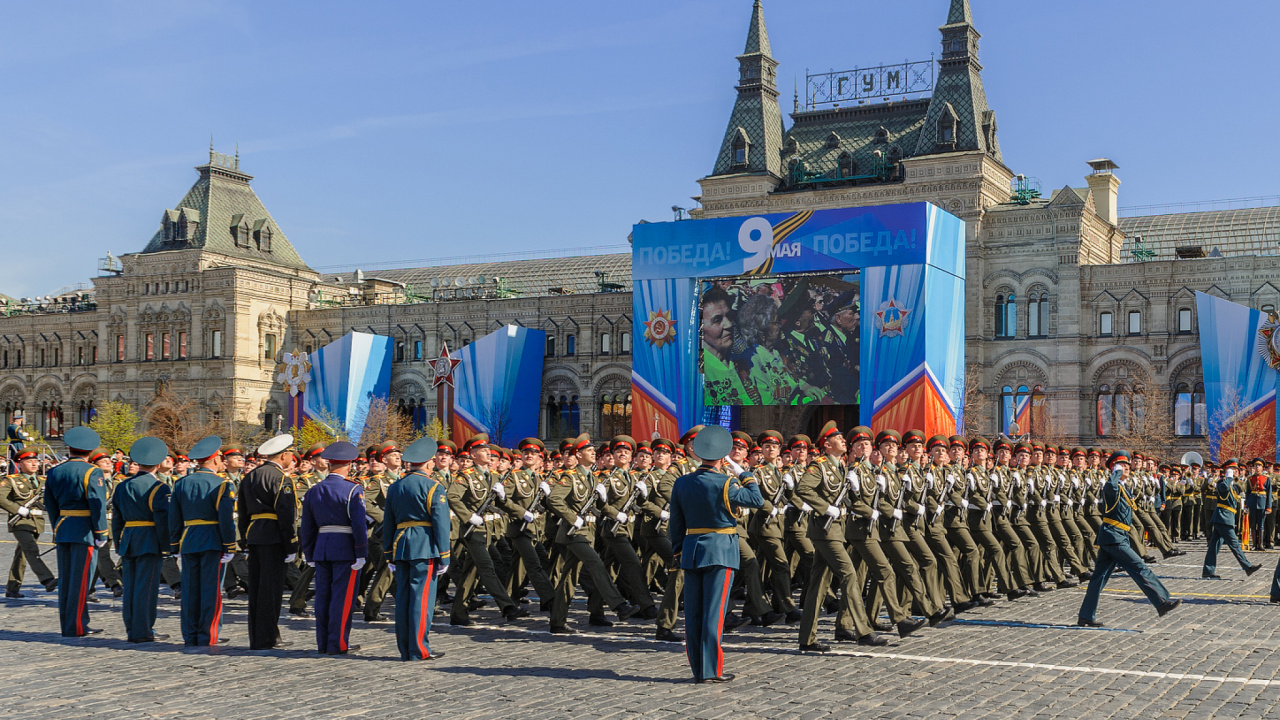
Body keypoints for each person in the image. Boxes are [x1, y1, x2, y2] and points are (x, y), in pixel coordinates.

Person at [668, 424, 764, 684]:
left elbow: (675, 524)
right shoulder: (728, 482)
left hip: (691, 551)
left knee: (694, 614)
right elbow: (757, 500)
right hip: (720, 551)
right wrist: (744, 472)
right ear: (723, 458)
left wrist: (679, 551)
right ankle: (711, 671)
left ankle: (698, 668)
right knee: (714, 613)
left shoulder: (682, 482)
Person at [1077, 451, 1181, 626]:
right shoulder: (1111, 486)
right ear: (1114, 469)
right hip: (1114, 537)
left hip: (1117, 536)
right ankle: (1161, 601)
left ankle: (1086, 615)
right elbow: (1111, 485)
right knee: (1138, 567)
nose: (1126, 467)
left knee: (1099, 578)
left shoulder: (1124, 487)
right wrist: (1115, 472)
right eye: (1121, 465)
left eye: (1127, 465)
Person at [383, 436, 452, 660]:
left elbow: (388, 523)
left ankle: (405, 648)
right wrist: (445, 555)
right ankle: (419, 649)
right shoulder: (434, 486)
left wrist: (388, 554)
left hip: (400, 544)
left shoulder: (395, 487)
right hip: (425, 545)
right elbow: (441, 524)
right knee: (422, 600)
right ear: (429, 463)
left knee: (403, 598)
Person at [298, 441, 369, 655]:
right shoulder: (353, 489)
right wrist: (361, 551)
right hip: (345, 548)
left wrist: (309, 552)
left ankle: (323, 642)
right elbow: (358, 524)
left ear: (329, 465)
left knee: (323, 597)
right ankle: (337, 643)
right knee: (342, 598)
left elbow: (307, 526)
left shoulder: (314, 490)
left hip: (322, 548)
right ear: (348, 465)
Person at [168, 436, 237, 647]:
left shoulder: (181, 483)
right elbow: (225, 520)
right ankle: (208, 634)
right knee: (210, 590)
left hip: (188, 540)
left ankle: (190, 634)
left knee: (189, 590)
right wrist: (230, 545)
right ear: (215, 460)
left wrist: (174, 544)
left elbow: (174, 518)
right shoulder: (223, 484)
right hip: (212, 540)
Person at [42, 425, 109, 637]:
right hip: (85, 531)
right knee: (81, 582)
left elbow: (50, 505)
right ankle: (77, 626)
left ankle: (67, 624)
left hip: (63, 528)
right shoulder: (92, 471)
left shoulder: (54, 471)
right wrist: (101, 534)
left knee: (67, 580)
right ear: (90, 451)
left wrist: (58, 526)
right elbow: (96, 505)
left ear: (69, 448)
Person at [237, 434, 298, 650]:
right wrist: (291, 544)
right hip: (274, 536)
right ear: (283, 455)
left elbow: (242, 513)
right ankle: (268, 637)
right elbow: (286, 513)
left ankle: (258, 635)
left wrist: (245, 539)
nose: (293, 458)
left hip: (254, 535)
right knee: (271, 590)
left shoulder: (250, 476)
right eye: (291, 454)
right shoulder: (282, 478)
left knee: (256, 589)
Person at [111, 436, 171, 643]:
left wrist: (119, 543)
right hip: (150, 540)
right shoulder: (159, 488)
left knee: (130, 587)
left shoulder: (122, 486)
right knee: (146, 589)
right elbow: (162, 521)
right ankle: (143, 630)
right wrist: (167, 546)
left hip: (128, 539)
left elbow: (116, 520)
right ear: (158, 462)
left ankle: (131, 627)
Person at [1, 449, 58, 598]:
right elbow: (1, 497)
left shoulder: (43, 481)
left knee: (23, 554)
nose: (34, 463)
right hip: (20, 522)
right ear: (20, 463)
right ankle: (47, 579)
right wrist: (17, 509)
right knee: (32, 550)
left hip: (37, 522)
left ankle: (12, 588)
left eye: (36, 461)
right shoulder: (12, 480)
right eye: (29, 461)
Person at [1202, 458, 1264, 579]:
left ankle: (1208, 571)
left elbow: (1242, 489)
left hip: (1227, 517)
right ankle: (1247, 567)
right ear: (1227, 470)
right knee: (1234, 543)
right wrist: (1228, 477)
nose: (1236, 471)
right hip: (1223, 517)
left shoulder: (1234, 483)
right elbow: (1224, 489)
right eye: (1233, 469)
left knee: (1214, 546)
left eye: (1236, 470)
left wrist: (1235, 480)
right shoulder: (1222, 482)